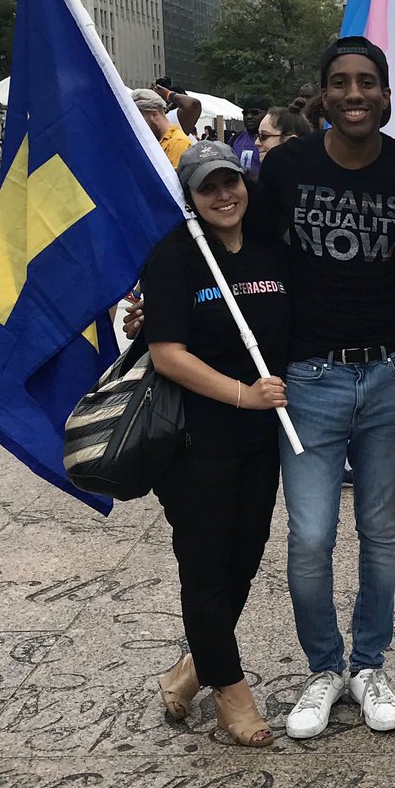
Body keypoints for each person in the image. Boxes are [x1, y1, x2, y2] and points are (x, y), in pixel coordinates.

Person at [255, 37, 395, 741]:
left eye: (367, 83)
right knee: (310, 537)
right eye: (340, 83)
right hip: (309, 377)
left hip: (388, 373)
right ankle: (325, 668)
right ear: (322, 95)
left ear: (386, 95)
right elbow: (252, 254)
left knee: (380, 531)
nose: (354, 95)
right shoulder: (287, 167)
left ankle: (369, 664)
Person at [143, 141, 290, 748]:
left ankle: (191, 669)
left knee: (244, 561)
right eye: (208, 188)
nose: (224, 195)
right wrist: (240, 394)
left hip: (261, 440)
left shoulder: (269, 244)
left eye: (231, 182)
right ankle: (231, 693)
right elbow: (166, 353)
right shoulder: (174, 256)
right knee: (206, 569)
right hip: (195, 440)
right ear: (191, 197)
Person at [131, 89, 192, 170]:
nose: (139, 127)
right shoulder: (161, 141)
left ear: (154, 115)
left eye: (141, 121)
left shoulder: (178, 142)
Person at [230, 96, 270, 179]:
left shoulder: (276, 139)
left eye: (255, 113)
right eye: (245, 113)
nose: (249, 117)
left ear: (267, 114)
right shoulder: (235, 139)